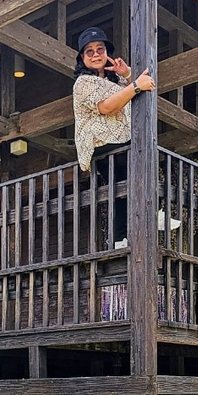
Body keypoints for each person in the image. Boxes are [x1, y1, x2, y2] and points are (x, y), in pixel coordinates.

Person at [72, 26, 156, 246]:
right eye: (89, 51)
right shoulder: (83, 83)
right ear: (82, 58)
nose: (96, 54)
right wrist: (135, 85)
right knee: (135, 163)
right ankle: (151, 214)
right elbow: (107, 107)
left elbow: (144, 88)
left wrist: (127, 74)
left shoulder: (116, 82)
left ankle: (120, 239)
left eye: (100, 49)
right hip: (99, 142)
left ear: (107, 52)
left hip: (120, 141)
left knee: (121, 189)